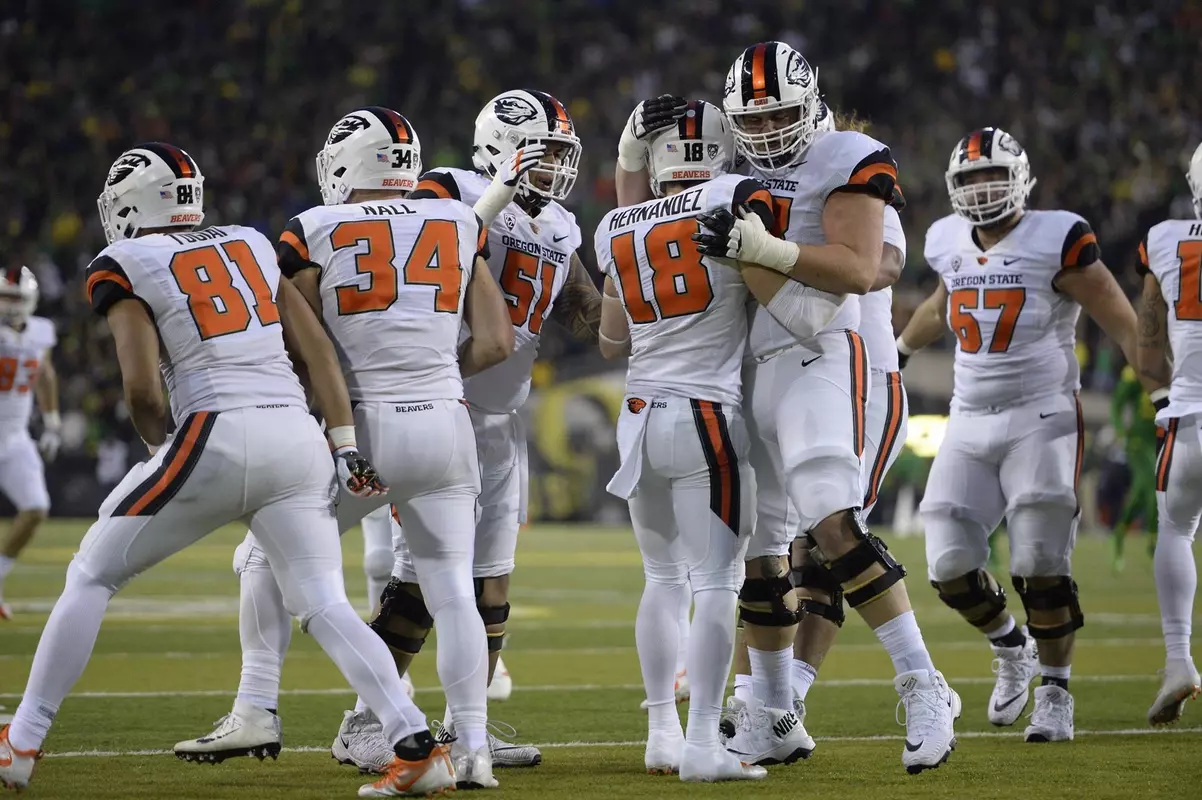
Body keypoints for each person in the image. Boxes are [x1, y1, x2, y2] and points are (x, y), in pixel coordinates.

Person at [0, 142, 455, 798]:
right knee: (324, 601)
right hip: (297, 437)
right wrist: (342, 441)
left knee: (93, 574)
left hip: (215, 428)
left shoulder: (123, 261)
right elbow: (319, 353)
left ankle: (23, 739)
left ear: (130, 203)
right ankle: (414, 746)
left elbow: (142, 390)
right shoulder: (250, 241)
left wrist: (164, 449)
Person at [173, 108, 514, 790]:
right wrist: (431, 376)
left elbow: (297, 342)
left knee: (262, 556)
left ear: (343, 165)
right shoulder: (456, 220)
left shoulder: (314, 228)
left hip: (363, 428)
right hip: (448, 421)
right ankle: (472, 748)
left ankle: (257, 706)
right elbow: (497, 342)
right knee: (451, 586)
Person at [693, 41, 958, 773]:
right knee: (759, 550)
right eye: (758, 115)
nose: (771, 128)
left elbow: (863, 270)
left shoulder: (847, 155)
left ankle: (923, 683)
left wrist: (766, 250)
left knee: (832, 522)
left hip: (824, 354)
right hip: (751, 363)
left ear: (812, 106)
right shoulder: (726, 170)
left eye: (783, 111)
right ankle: (773, 714)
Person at [895, 126, 1147, 742]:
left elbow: (1120, 317)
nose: (982, 189)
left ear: (1021, 179)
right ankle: (1012, 647)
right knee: (949, 562)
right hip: (969, 414)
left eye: (992, 176)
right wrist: (898, 350)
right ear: (955, 188)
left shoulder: (1056, 236)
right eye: (970, 179)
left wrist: (1164, 391)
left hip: (1042, 416)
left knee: (1039, 560)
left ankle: (1057, 694)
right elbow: (942, 301)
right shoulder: (948, 239)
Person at [380, 88, 600, 770]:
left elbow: (585, 310)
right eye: (547, 151)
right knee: (418, 582)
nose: (558, 166)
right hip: (437, 402)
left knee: (492, 583)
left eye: (565, 153)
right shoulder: (449, 187)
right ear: (502, 146)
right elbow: (423, 258)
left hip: (503, 418)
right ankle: (371, 719)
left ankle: (463, 729)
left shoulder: (561, 224)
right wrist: (494, 199)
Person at [597, 99, 787, 782]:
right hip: (707, 411)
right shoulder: (736, 195)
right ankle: (704, 743)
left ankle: (661, 732)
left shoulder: (614, 224)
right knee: (717, 582)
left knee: (660, 578)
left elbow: (611, 337)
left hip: (638, 416)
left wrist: (626, 165)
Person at [1132, 140, 1202, 726]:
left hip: (1188, 420)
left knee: (1176, 531)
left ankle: (1179, 659)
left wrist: (1163, 399)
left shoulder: (1164, 240)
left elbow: (1147, 350)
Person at [0, 267, 60, 620]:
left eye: (15, 298)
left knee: (36, 508)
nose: (9, 305)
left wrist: (51, 422)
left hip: (15, 436)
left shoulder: (41, 331)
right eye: (3, 298)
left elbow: (45, 373)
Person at [1108, 364, 1159, 570]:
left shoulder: (1172, 367)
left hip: (1158, 439)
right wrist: (1120, 430)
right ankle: (1154, 539)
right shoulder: (1139, 368)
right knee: (1155, 485)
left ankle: (1119, 535)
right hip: (1138, 441)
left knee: (1141, 493)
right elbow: (1117, 404)